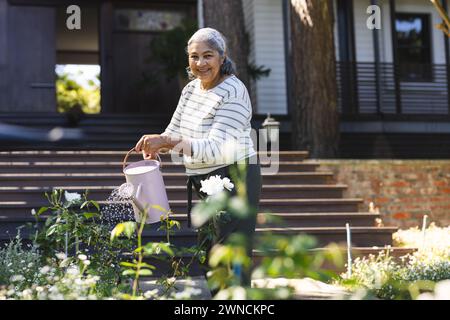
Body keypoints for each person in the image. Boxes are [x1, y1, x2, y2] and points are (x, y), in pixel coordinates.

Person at [134, 27, 261, 287]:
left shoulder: (233, 92)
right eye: (194, 57)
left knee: (229, 255)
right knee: (208, 256)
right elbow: (174, 132)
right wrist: (157, 143)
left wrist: (168, 142)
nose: (200, 63)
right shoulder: (191, 90)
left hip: (235, 178)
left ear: (222, 57)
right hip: (204, 181)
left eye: (208, 56)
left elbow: (215, 148)